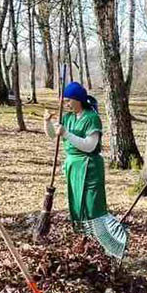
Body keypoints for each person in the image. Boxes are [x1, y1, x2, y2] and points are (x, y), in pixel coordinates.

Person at [43, 81, 107, 225]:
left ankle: (96, 230)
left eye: (68, 100)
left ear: (78, 99)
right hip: (73, 166)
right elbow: (53, 135)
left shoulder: (91, 118)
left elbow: (90, 146)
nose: (66, 104)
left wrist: (66, 134)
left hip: (89, 166)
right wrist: (47, 122)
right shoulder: (68, 117)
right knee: (76, 200)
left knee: (91, 202)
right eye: (64, 101)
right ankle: (81, 229)